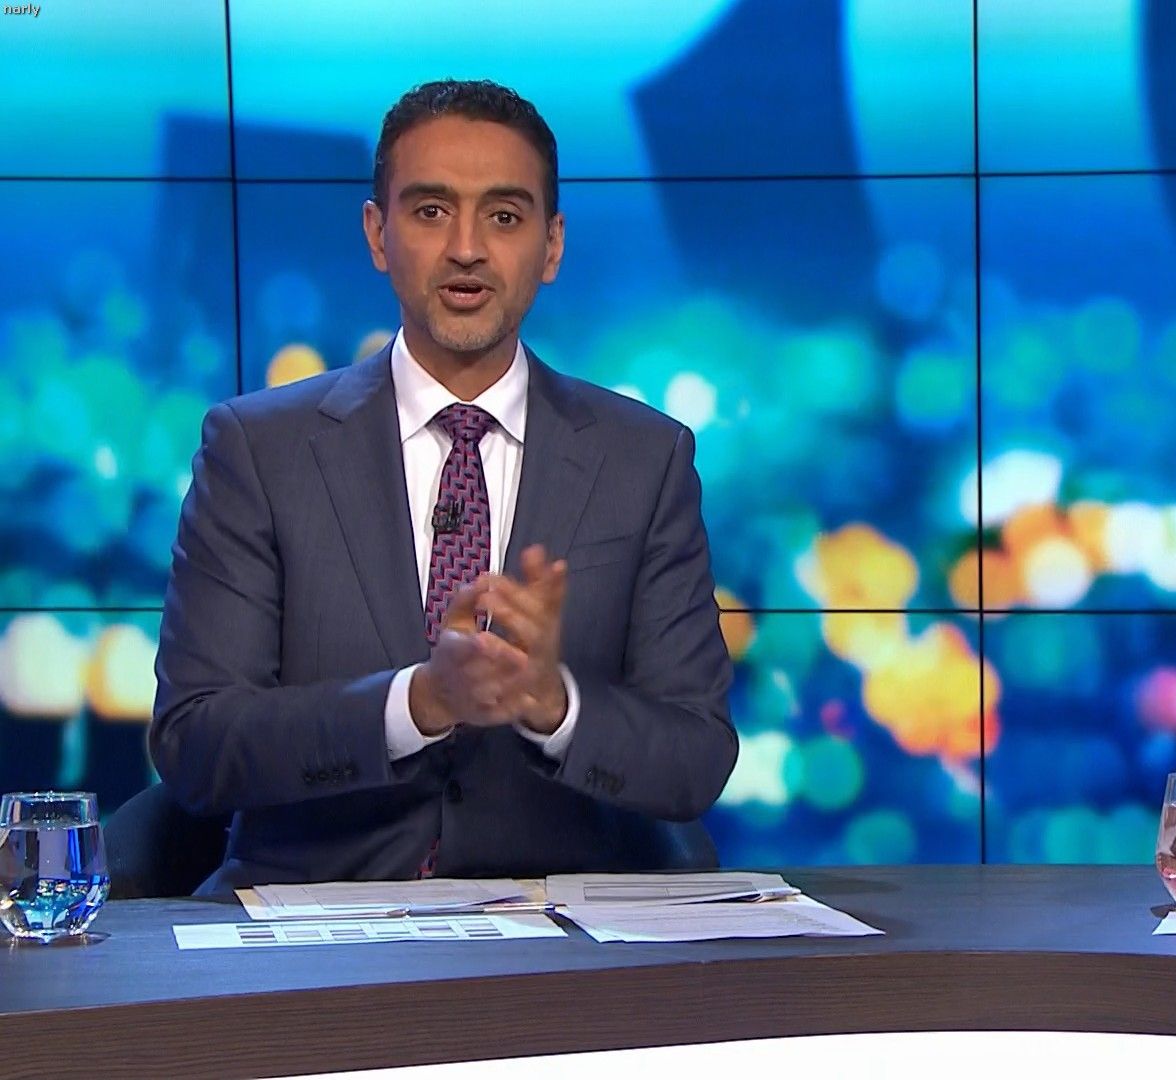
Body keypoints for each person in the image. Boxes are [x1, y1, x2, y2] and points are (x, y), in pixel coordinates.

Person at [151, 80, 738, 895]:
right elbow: (195, 743)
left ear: (553, 245)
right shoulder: (256, 451)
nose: (467, 248)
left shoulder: (645, 459)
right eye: (431, 211)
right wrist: (420, 701)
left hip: (561, 937)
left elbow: (695, 755)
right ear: (377, 233)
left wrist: (553, 704)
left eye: (505, 216)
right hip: (318, 930)